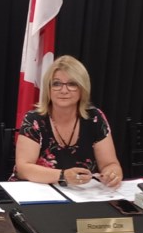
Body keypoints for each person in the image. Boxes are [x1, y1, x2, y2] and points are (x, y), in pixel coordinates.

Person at [13, 55, 122, 188]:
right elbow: (23, 169)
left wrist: (112, 174)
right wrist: (63, 176)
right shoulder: (34, 119)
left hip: (81, 194)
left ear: (82, 89)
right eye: (57, 84)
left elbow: (110, 164)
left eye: (72, 84)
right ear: (48, 88)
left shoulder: (94, 118)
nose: (64, 90)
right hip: (37, 190)